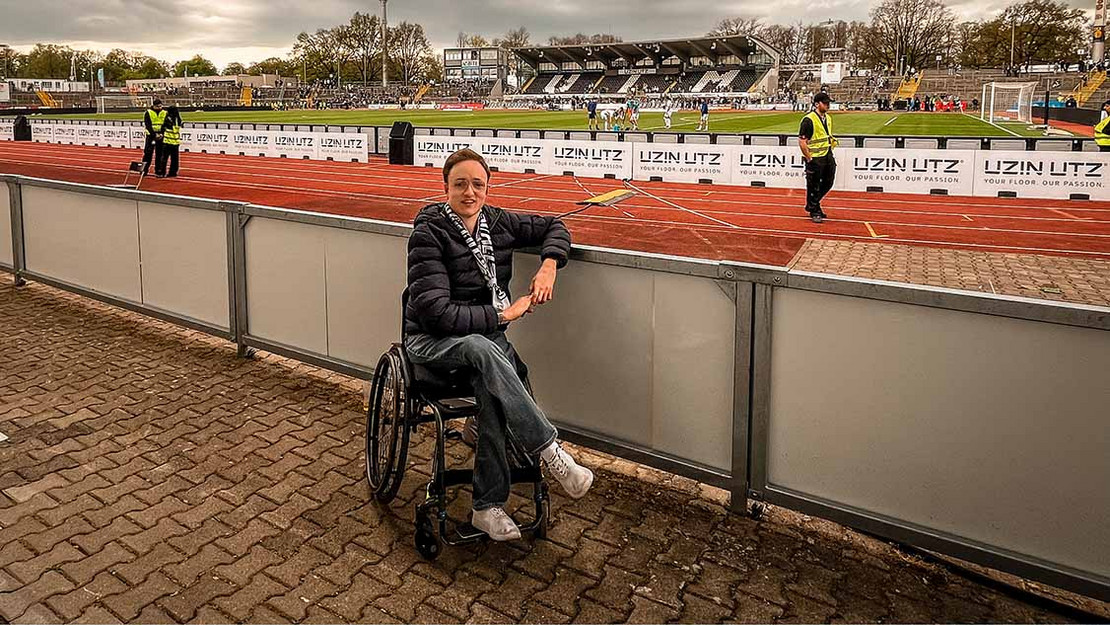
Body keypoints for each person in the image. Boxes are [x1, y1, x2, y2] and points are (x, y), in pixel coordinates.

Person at [404, 148, 593, 542]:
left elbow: (555, 226)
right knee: (485, 349)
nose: (469, 192)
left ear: (488, 188)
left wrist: (549, 265)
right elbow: (435, 311)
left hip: (485, 344)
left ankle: (486, 507)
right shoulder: (429, 233)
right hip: (431, 342)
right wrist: (502, 317)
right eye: (460, 184)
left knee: (492, 386)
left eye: (478, 184)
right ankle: (550, 451)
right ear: (446, 188)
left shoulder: (499, 222)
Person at [799, 92, 838, 223]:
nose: (828, 105)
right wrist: (809, 158)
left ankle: (812, 204)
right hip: (815, 157)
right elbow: (802, 141)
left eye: (828, 103)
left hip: (827, 155)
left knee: (829, 181)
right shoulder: (808, 120)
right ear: (817, 104)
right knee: (814, 185)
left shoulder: (828, 118)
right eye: (825, 103)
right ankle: (815, 209)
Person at [141, 99, 167, 175]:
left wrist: (162, 133)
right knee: (148, 153)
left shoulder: (164, 113)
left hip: (161, 136)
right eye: (158, 106)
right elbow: (148, 125)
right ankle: (144, 170)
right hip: (151, 136)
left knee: (159, 154)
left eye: (160, 106)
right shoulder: (148, 113)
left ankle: (158, 170)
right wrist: (154, 134)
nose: (160, 107)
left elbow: (166, 124)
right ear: (154, 106)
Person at [157, 105, 182, 178]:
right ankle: (173, 172)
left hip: (168, 141)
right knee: (175, 159)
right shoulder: (178, 119)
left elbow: (163, 127)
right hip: (176, 141)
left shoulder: (168, 118)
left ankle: (162, 172)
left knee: (164, 158)